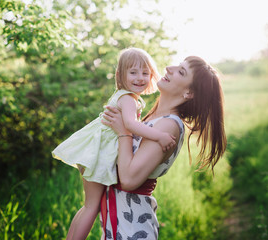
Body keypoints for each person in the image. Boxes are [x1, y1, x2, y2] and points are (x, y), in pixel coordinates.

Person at [52, 47, 177, 240]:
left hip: (94, 152)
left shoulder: (127, 97)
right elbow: (130, 125)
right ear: (120, 75)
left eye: (145, 73)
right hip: (97, 155)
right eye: (133, 72)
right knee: (91, 208)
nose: (140, 78)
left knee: (87, 206)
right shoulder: (127, 99)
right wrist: (158, 136)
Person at [101, 56, 227, 240]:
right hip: (120, 224)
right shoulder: (152, 119)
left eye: (181, 71)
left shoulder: (168, 125)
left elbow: (128, 179)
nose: (169, 68)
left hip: (133, 229)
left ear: (189, 93)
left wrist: (123, 131)